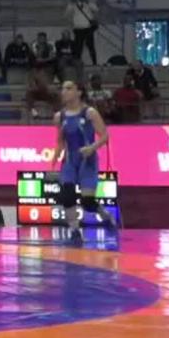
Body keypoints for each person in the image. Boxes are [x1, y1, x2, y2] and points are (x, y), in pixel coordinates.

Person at [52, 80, 117, 243]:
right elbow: (60, 141)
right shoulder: (59, 117)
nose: (64, 92)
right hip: (69, 160)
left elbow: (105, 135)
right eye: (63, 89)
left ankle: (105, 216)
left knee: (87, 202)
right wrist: (55, 156)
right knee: (67, 196)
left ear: (79, 92)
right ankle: (75, 231)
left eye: (68, 88)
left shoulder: (89, 113)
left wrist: (92, 148)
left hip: (87, 160)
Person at [66, 0, 100, 66]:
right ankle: (77, 63)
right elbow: (67, 13)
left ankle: (94, 63)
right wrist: (71, 3)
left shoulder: (89, 4)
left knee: (91, 46)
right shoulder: (74, 4)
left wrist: (88, 3)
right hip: (78, 29)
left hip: (88, 28)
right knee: (78, 47)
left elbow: (96, 9)